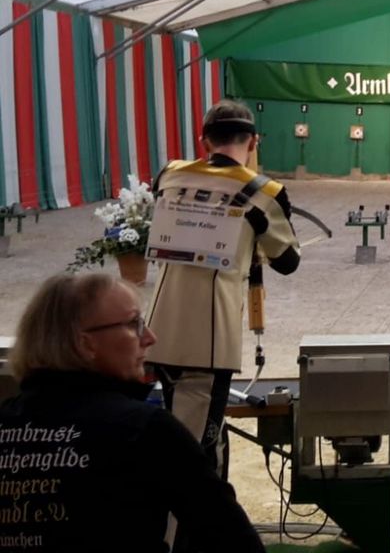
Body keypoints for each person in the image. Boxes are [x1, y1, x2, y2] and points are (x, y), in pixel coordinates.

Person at [0, 273, 266, 553]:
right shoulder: (145, 430)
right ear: (85, 343)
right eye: (134, 324)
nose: (150, 338)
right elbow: (233, 539)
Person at [145, 100, 300, 478]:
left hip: (157, 331)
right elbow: (287, 261)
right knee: (192, 456)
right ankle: (185, 537)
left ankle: (211, 531)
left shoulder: (169, 175)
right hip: (209, 339)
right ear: (253, 142)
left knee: (194, 440)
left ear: (204, 141)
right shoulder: (265, 190)